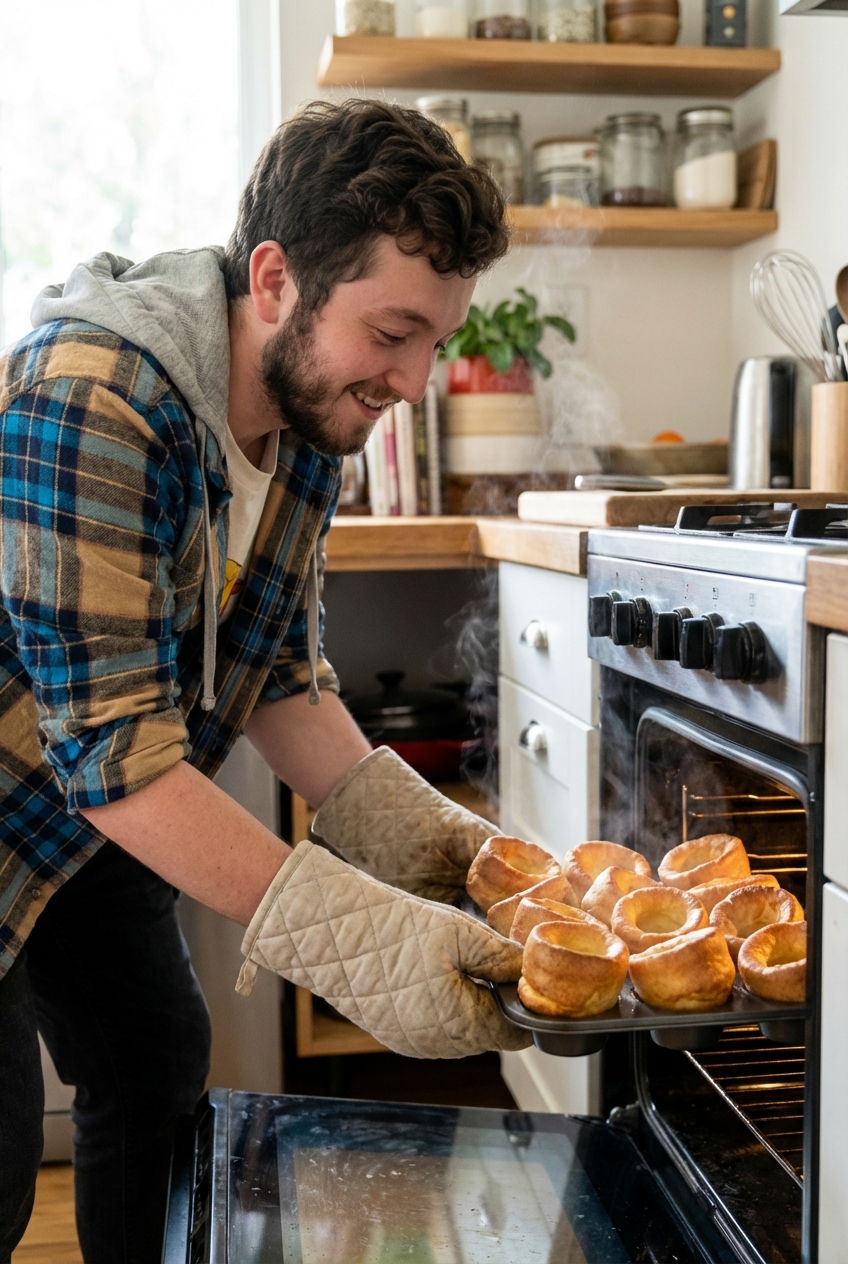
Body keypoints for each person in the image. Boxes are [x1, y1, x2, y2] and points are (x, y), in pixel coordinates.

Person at [0, 99, 531, 1264]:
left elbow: (280, 677)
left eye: (433, 340)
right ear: (277, 279)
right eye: (392, 333)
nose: (412, 378)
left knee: (150, 1055)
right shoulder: (93, 394)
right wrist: (369, 941)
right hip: (40, 789)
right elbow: (119, 754)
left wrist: (459, 861)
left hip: (83, 809)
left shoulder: (303, 423)